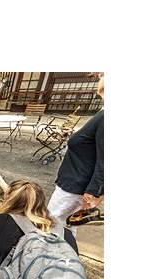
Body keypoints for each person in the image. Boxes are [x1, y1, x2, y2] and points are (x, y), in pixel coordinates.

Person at [47, 73, 104, 230]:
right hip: (74, 182)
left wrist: (94, 192)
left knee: (51, 225)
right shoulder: (103, 113)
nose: (99, 79)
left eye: (103, 75)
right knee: (66, 228)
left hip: (75, 186)